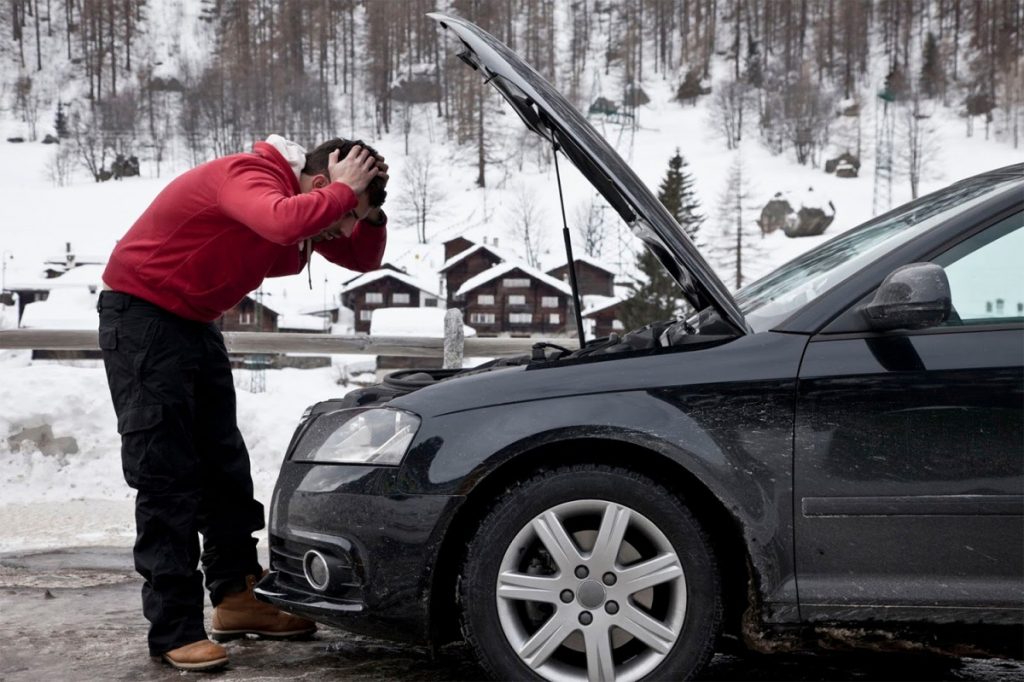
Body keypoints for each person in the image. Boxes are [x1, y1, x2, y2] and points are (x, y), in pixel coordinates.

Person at [96, 135, 388, 671]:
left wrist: (366, 212)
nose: (343, 227)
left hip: (192, 323)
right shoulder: (251, 177)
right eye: (343, 211)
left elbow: (362, 257)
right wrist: (348, 193)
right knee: (168, 476)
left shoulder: (309, 205)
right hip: (142, 320)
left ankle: (236, 599)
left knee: (225, 469)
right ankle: (174, 629)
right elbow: (281, 223)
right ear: (323, 184)